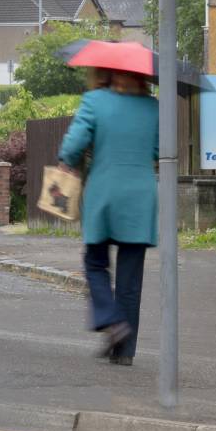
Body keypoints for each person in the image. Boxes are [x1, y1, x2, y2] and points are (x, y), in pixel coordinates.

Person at [58, 68, 158, 366]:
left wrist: (74, 159)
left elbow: (72, 147)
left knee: (95, 263)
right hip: (140, 197)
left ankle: (111, 320)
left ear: (108, 73)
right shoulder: (153, 106)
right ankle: (124, 352)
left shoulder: (95, 100)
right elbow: (157, 150)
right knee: (131, 280)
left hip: (105, 194)